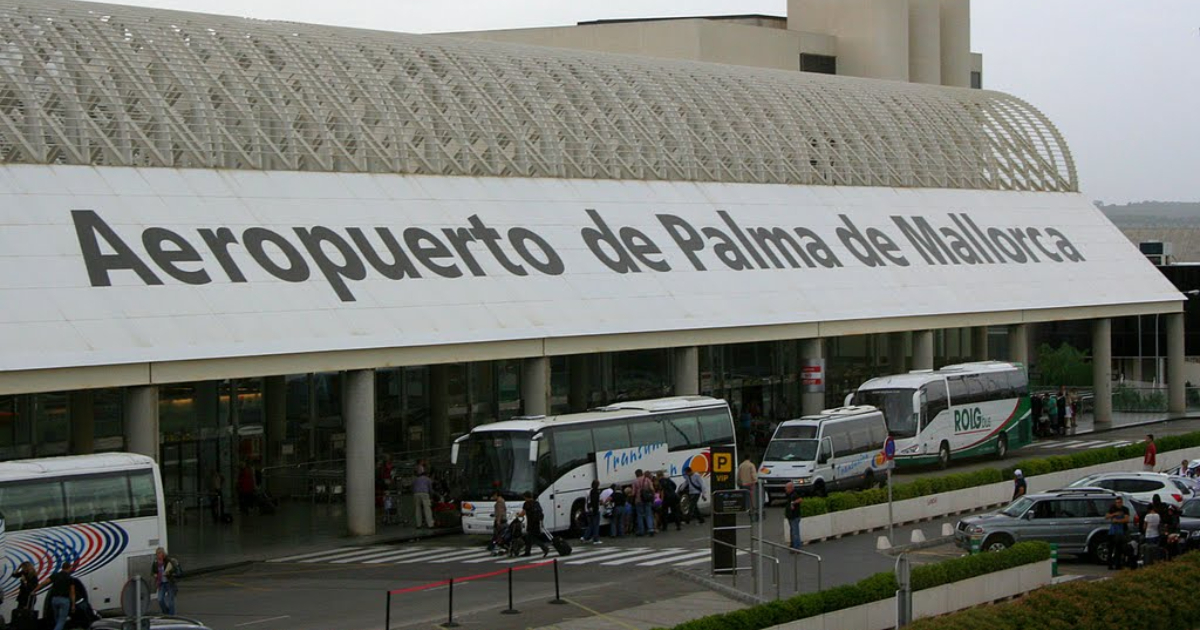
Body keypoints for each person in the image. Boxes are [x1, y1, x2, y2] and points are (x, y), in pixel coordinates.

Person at [39, 561, 76, 630]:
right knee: (61, 620)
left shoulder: (55, 575)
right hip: (64, 600)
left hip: (54, 600)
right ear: (69, 568)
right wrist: (73, 605)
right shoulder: (70, 578)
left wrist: (35, 590)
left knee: (57, 619)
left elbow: (44, 583)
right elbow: (72, 593)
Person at [151, 546, 181, 615]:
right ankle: (165, 612)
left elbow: (175, 570)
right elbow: (152, 571)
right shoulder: (155, 563)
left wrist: (168, 572)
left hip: (169, 582)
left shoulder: (169, 561)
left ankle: (171, 615)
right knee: (160, 599)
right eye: (157, 553)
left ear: (163, 554)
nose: (158, 555)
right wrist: (154, 574)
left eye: (159, 553)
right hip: (161, 583)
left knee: (170, 600)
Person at [1105, 496, 1131, 570]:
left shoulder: (1125, 509)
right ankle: (1110, 564)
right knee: (1110, 548)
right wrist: (1114, 514)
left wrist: (1118, 521)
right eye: (1116, 503)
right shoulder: (1113, 509)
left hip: (1122, 530)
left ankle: (1118, 564)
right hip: (1113, 531)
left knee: (1119, 548)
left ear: (1122, 502)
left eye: (1119, 502)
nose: (1118, 504)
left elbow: (1126, 519)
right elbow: (1106, 516)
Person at [520, 491, 549, 557]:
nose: (524, 499)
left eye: (524, 497)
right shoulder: (536, 503)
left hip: (531, 523)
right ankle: (527, 552)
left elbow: (523, 513)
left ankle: (544, 548)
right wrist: (541, 522)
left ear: (526, 497)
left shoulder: (526, 503)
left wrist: (518, 515)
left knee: (533, 538)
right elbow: (541, 513)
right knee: (529, 538)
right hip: (537, 522)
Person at [633, 469, 655, 537]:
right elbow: (652, 489)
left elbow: (633, 493)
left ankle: (641, 531)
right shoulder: (647, 480)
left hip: (638, 500)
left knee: (640, 515)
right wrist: (652, 496)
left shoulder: (635, 481)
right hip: (647, 499)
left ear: (636, 474)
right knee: (649, 514)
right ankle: (650, 529)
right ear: (642, 473)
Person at [738, 456, 759, 522]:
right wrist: (755, 481)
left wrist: (739, 482)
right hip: (750, 484)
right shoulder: (751, 465)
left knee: (745, 497)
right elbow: (753, 474)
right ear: (749, 458)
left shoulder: (741, 465)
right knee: (752, 498)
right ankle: (752, 510)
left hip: (743, 484)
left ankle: (746, 509)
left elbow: (738, 475)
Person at [784, 481, 803, 550]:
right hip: (790, 516)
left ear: (791, 488)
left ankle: (797, 547)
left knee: (795, 532)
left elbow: (800, 500)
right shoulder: (789, 494)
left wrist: (793, 503)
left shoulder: (795, 494)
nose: (785, 489)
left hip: (795, 516)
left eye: (787, 488)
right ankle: (793, 546)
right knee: (792, 532)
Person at [584, 480, 603, 544]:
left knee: (590, 525)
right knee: (596, 525)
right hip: (594, 510)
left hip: (588, 509)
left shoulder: (587, 491)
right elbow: (596, 501)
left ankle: (585, 537)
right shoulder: (596, 492)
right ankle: (596, 539)